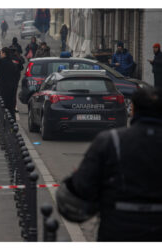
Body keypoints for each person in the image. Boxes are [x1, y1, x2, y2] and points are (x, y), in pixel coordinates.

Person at [56, 86, 162, 241]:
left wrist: (75, 179)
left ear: (133, 109)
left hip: (119, 231)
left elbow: (80, 191)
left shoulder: (111, 141)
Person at [9, 46, 25, 113]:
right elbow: (21, 68)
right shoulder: (17, 59)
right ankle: (13, 107)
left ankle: (7, 107)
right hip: (15, 78)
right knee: (13, 94)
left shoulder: (7, 59)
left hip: (7, 78)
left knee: (7, 93)